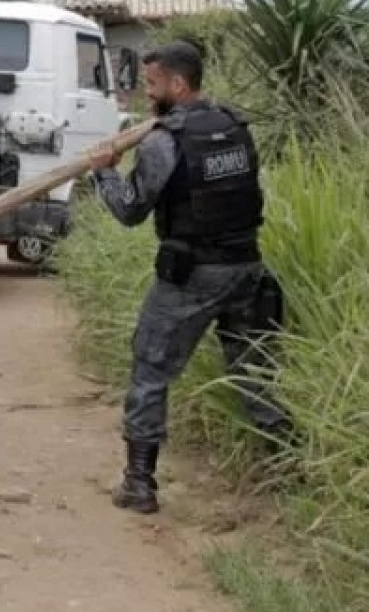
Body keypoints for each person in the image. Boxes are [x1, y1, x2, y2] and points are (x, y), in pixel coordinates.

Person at [84, 40, 292, 515]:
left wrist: (105, 174)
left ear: (178, 84)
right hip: (246, 268)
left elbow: (130, 210)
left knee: (150, 368)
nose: (145, 93)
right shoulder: (234, 125)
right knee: (254, 372)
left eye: (152, 84)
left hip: (192, 275)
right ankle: (290, 470)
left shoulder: (163, 141)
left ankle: (139, 484)